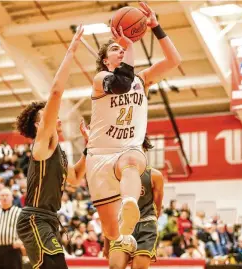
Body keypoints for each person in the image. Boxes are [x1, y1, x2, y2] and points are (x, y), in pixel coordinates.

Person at [86, 1, 181, 252]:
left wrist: (156, 27)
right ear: (106, 61)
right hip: (99, 156)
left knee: (132, 159)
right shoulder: (99, 80)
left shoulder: (142, 79)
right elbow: (121, 85)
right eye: (115, 50)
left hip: (126, 149)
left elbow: (174, 60)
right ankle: (118, 232)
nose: (120, 51)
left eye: (122, 49)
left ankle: (130, 203)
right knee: (111, 233)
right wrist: (127, 43)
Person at [15, 26, 87, 269]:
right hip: (34, 218)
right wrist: (72, 50)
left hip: (49, 220)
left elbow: (76, 179)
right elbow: (56, 91)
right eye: (47, 115)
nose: (54, 116)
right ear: (38, 125)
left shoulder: (60, 154)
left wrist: (88, 149)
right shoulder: (41, 145)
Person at [103, 136, 165, 269]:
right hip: (121, 226)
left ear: (143, 150)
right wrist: (106, 241)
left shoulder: (155, 176)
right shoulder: (115, 174)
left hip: (146, 225)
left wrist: (150, 225)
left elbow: (157, 209)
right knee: (115, 267)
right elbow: (109, 210)